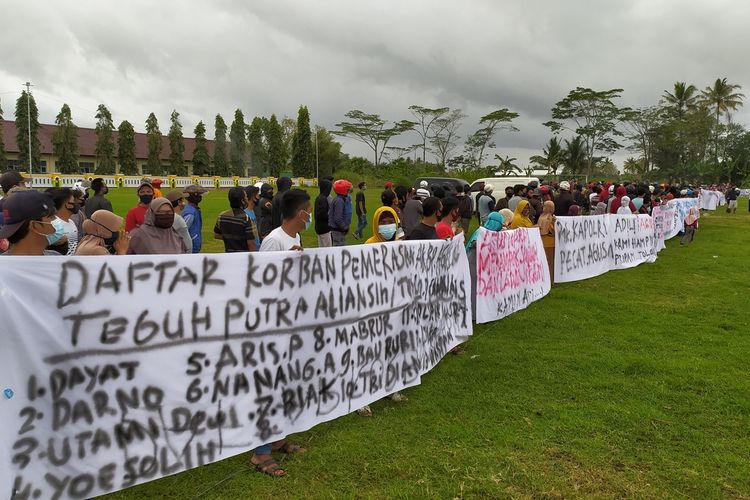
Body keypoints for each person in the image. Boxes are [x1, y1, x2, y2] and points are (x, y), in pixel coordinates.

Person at [465, 211, 505, 319]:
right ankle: (473, 315)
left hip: (481, 264)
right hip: (473, 263)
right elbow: (475, 243)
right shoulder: (482, 232)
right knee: (474, 289)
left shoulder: (490, 233)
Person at [0, 190, 63, 256]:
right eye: (52, 217)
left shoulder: (56, 257)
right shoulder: (55, 261)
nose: (58, 220)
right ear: (35, 225)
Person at [214, 187, 258, 252]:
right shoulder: (246, 218)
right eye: (246, 197)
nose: (247, 199)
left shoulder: (222, 216)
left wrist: (230, 239)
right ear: (242, 201)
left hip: (229, 255)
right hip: (243, 257)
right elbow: (252, 244)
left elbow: (216, 235)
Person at [45, 187, 79, 255]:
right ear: (68, 205)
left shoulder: (71, 222)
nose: (77, 203)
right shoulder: (53, 224)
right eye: (74, 201)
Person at [182, 184, 208, 253]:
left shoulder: (194, 210)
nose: (200, 197)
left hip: (194, 243)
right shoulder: (190, 212)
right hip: (191, 245)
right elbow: (183, 229)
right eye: (199, 195)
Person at [536, 200, 556, 283]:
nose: (543, 207)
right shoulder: (545, 216)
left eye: (545, 206)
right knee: (547, 262)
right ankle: (547, 280)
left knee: (547, 262)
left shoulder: (546, 217)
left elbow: (550, 230)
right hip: (546, 241)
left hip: (546, 242)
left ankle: (548, 280)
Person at [329, 179, 352, 246]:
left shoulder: (340, 199)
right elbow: (338, 218)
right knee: (339, 250)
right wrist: (344, 227)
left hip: (339, 230)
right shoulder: (339, 201)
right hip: (337, 230)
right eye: (347, 189)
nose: (348, 191)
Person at [314, 179, 333, 247]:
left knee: (321, 247)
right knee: (327, 248)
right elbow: (321, 214)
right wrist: (331, 216)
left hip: (319, 227)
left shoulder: (319, 198)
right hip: (324, 228)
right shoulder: (323, 199)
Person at [243, 185, 262, 250]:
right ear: (252, 197)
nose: (259, 196)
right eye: (257, 194)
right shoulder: (246, 214)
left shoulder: (252, 211)